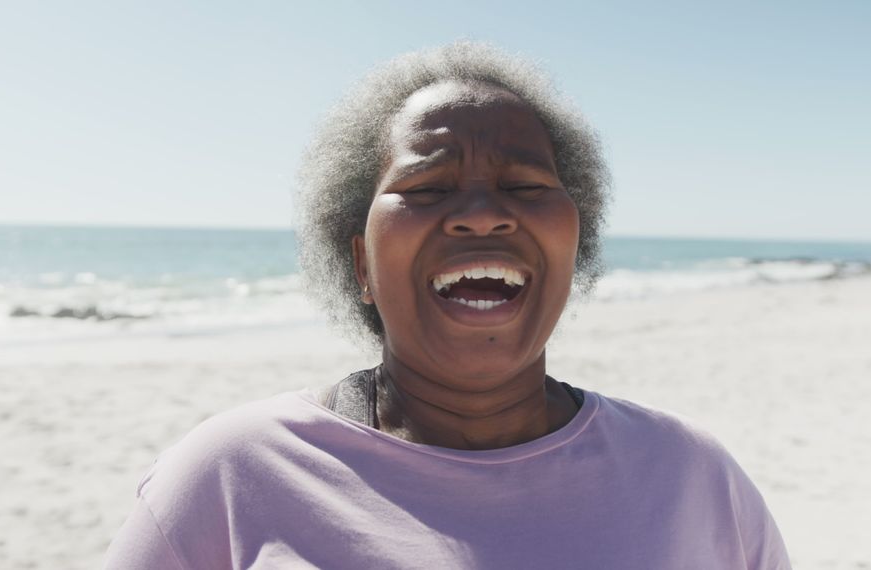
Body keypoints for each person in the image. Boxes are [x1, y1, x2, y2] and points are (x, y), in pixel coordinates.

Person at [104, 42, 791, 569]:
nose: (483, 215)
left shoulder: (690, 473)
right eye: (428, 188)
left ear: (575, 244)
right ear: (362, 265)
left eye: (524, 185)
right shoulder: (230, 474)